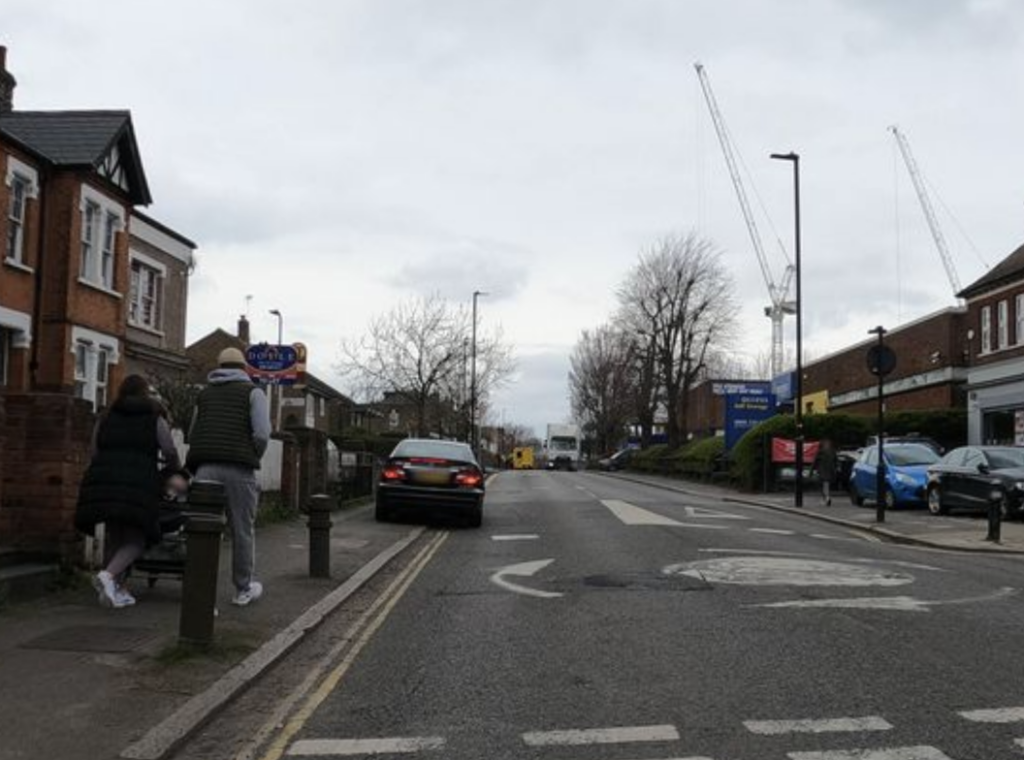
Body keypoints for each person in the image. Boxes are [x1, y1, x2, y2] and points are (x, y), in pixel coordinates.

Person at [75, 374, 183, 608]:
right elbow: (169, 449)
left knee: (116, 536)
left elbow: (94, 449)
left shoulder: (106, 416)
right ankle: (108, 576)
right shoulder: (154, 417)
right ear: (145, 392)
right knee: (136, 540)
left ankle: (116, 590)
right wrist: (173, 470)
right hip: (139, 482)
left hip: (105, 480)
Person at [186, 347, 271, 606]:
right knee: (242, 531)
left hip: (205, 470)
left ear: (219, 367)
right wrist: (251, 453)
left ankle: (200, 592)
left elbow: (192, 432)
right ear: (243, 368)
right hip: (239, 469)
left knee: (203, 532)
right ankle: (242, 589)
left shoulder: (204, 394)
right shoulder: (254, 393)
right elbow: (262, 433)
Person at [814, 438, 838, 506]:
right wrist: (836, 469)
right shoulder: (832, 451)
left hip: (822, 471)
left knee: (824, 485)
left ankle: (827, 498)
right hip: (830, 470)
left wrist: (812, 471)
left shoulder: (820, 452)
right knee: (826, 485)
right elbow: (836, 461)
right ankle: (826, 498)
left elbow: (815, 462)